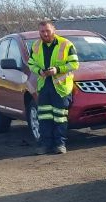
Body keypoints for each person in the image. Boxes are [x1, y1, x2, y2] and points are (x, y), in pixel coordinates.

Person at [26, 21, 80, 154]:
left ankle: (60, 144)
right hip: (44, 85)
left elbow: (74, 64)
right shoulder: (36, 45)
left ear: (54, 30)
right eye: (42, 31)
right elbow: (31, 63)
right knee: (44, 117)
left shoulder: (66, 44)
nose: (45, 34)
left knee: (60, 117)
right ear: (39, 32)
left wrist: (57, 70)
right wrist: (39, 71)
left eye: (47, 31)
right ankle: (45, 145)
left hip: (60, 87)